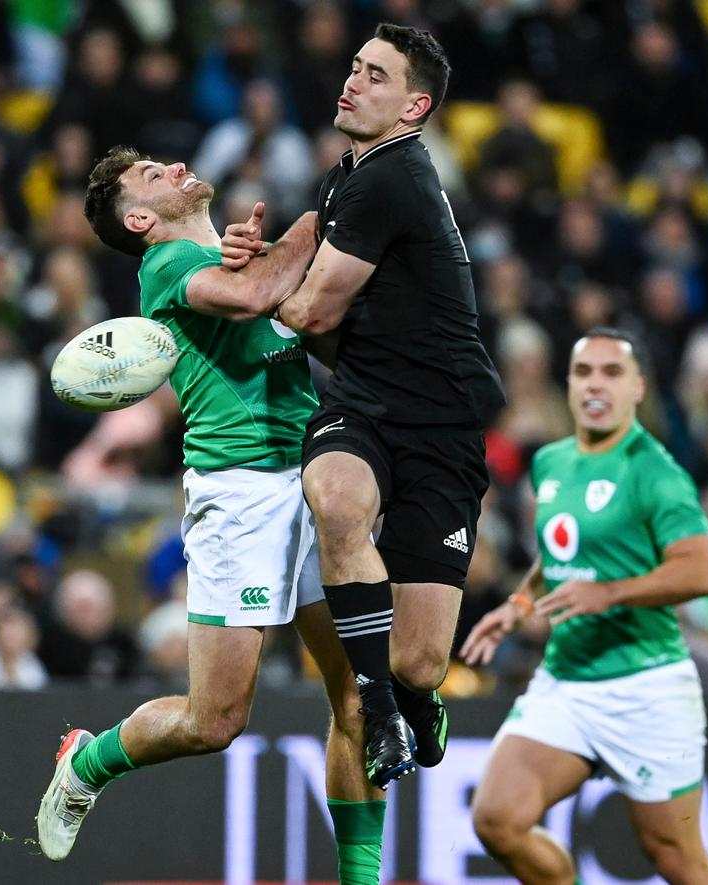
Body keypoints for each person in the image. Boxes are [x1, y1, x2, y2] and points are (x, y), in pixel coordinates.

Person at [35, 147, 386, 884]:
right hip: (240, 496)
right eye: (151, 175)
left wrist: (272, 252)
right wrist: (318, 218)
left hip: (316, 475)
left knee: (359, 694)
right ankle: (88, 763)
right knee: (215, 721)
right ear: (140, 219)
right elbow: (258, 295)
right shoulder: (165, 265)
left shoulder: (230, 257)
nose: (172, 166)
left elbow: (293, 300)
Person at [226, 22, 504, 788]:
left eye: (377, 75)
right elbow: (306, 280)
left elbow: (310, 311)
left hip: (443, 426)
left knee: (420, 659)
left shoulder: (392, 177)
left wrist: (254, 291)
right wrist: (263, 264)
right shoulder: (350, 173)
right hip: (364, 402)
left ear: (415, 107)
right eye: (355, 67)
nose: (353, 81)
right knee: (337, 497)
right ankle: (379, 712)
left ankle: (409, 696)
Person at [461, 329, 708, 885]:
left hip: (646, 687)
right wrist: (522, 601)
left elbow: (706, 570)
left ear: (638, 388)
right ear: (568, 385)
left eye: (612, 373)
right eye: (584, 372)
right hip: (567, 681)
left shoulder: (655, 472)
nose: (595, 385)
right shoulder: (552, 461)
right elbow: (563, 551)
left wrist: (609, 592)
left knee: (678, 861)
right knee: (497, 820)